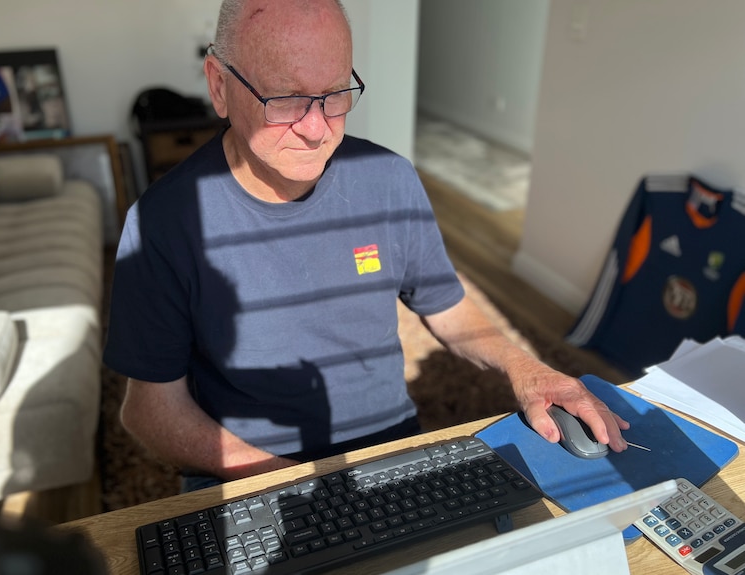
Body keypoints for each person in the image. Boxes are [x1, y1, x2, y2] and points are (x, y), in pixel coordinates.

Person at [103, 0, 629, 492]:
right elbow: (149, 410)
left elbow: (448, 310)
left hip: (388, 449)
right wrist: (294, 483)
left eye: (334, 93)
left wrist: (528, 370)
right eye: (285, 98)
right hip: (250, 471)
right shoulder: (160, 223)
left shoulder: (388, 179)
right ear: (219, 86)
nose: (317, 129)